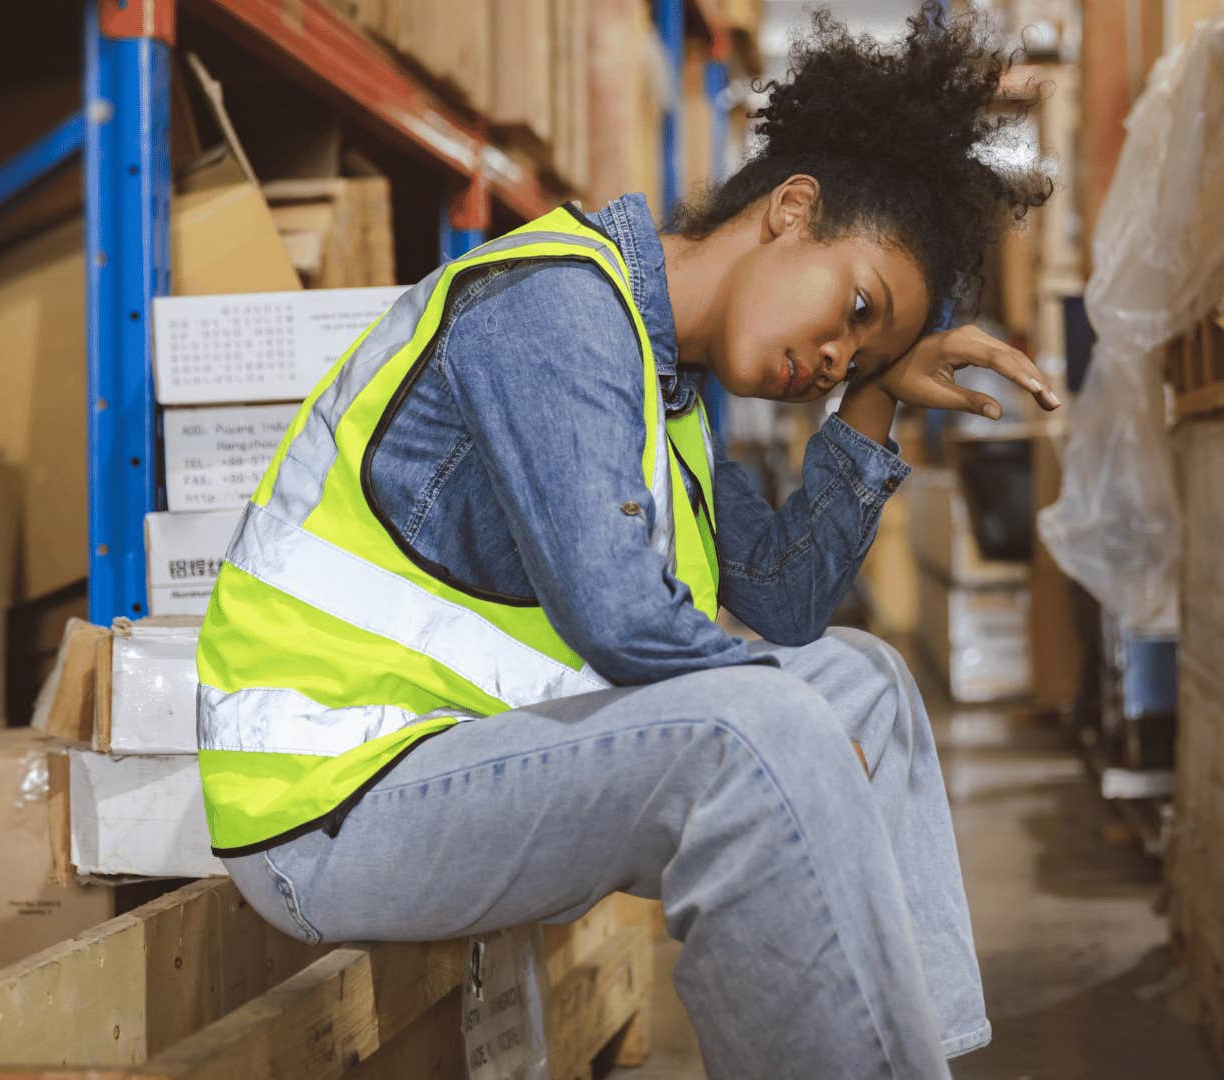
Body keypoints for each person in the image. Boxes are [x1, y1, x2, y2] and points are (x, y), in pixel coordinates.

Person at [197, 4, 1053, 1075]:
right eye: (855, 311)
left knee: (863, 684)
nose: (834, 357)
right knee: (763, 731)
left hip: (456, 759)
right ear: (793, 209)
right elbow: (619, 618)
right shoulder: (554, 307)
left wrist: (878, 399)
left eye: (860, 350)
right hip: (330, 805)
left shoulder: (669, 392)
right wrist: (785, 728)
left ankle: (917, 1056)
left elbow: (786, 604)